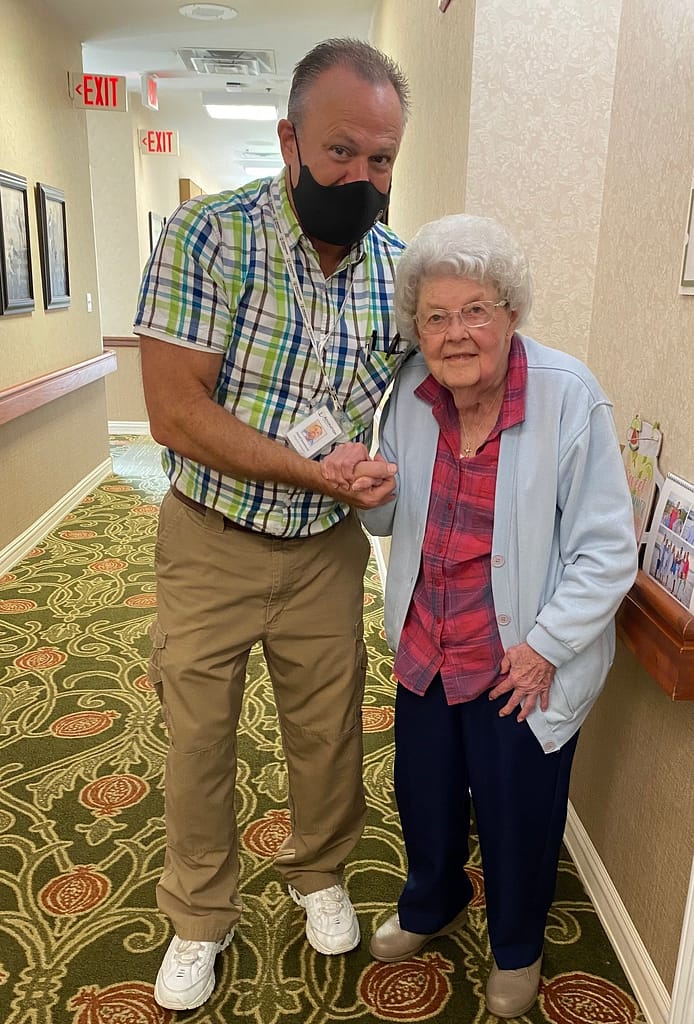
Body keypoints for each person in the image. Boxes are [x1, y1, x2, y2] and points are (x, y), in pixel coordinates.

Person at [132, 38, 410, 1012]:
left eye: (381, 158)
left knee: (328, 732)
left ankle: (318, 871)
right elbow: (175, 411)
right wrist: (315, 468)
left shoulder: (397, 273)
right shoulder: (211, 236)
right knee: (200, 737)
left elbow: (445, 381)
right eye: (340, 151)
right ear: (289, 141)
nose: (361, 176)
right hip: (211, 538)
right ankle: (200, 915)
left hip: (325, 551)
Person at [324, 214, 638, 1018]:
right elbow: (391, 519)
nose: (455, 332)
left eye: (475, 310)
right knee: (423, 793)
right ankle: (432, 902)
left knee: (517, 810)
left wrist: (545, 648)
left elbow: (607, 551)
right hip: (429, 644)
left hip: (519, 660)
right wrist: (370, 494)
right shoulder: (412, 395)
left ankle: (517, 946)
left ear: (511, 312)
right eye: (435, 316)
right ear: (416, 327)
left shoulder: (569, 397)